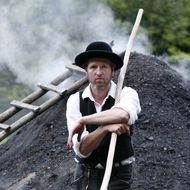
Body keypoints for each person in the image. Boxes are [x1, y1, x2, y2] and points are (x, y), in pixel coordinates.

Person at [66, 41, 141, 190]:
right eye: (93, 67)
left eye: (104, 66)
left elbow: (122, 115)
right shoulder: (75, 100)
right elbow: (82, 150)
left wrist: (83, 120)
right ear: (86, 70)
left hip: (119, 176)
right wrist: (105, 129)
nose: (98, 72)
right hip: (85, 175)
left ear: (112, 69)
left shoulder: (127, 94)